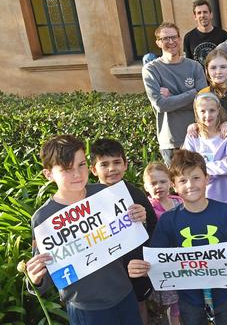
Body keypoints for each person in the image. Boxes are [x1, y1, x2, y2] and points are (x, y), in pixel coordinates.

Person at [128, 150, 227, 325]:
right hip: (189, 298)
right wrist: (141, 268)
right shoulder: (168, 220)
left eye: (196, 178)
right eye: (183, 180)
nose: (190, 185)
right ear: (174, 185)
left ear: (207, 178)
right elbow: (155, 262)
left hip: (226, 294)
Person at [26, 135, 147, 325]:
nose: (77, 174)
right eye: (67, 169)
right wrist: (35, 279)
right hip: (85, 307)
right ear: (48, 174)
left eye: (81, 164)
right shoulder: (43, 220)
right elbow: (44, 276)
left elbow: (130, 237)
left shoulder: (106, 194)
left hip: (125, 293)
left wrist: (139, 219)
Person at [88, 138, 158, 323]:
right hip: (106, 268)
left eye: (117, 162)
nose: (112, 169)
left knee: (139, 303)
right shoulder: (86, 200)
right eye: (104, 164)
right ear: (93, 170)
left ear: (126, 165)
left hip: (134, 263)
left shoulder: (135, 194)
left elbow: (153, 227)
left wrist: (142, 220)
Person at [142, 22, 208, 165]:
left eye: (174, 37)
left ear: (179, 39)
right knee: (178, 185)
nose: (171, 42)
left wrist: (172, 97)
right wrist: (192, 93)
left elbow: (204, 101)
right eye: (165, 38)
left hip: (198, 136)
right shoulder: (151, 70)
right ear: (158, 43)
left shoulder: (194, 66)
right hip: (171, 141)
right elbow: (160, 105)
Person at [142, 162, 183, 325]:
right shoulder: (147, 208)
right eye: (153, 183)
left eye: (162, 182)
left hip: (185, 258)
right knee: (173, 304)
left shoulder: (180, 201)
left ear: (171, 183)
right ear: (146, 186)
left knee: (187, 298)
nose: (158, 186)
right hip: (165, 263)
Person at [183, 92, 227, 204]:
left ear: (218, 110)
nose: (208, 115)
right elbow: (188, 165)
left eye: (212, 110)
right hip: (201, 197)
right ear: (196, 112)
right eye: (202, 111)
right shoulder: (193, 136)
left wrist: (201, 168)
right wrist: (218, 166)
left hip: (226, 196)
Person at [183, 0, 227, 67]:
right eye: (199, 13)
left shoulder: (222, 35)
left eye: (205, 12)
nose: (202, 15)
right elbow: (188, 63)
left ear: (211, 14)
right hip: (198, 77)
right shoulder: (188, 37)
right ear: (195, 17)